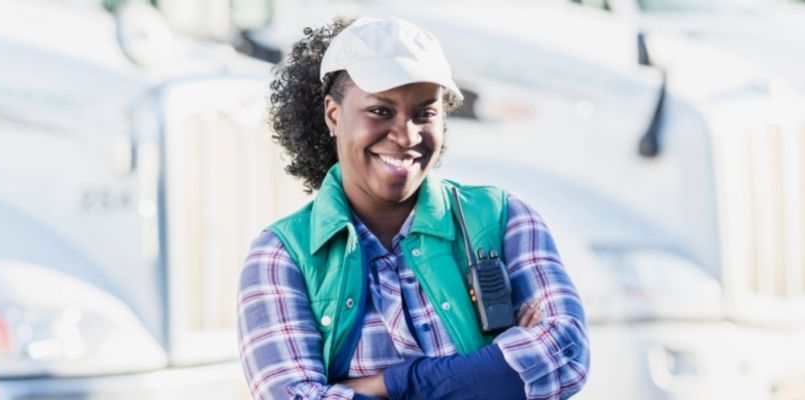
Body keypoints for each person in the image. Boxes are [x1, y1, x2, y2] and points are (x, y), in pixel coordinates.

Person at [237, 16, 588, 400]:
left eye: (425, 113)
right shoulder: (280, 257)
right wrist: (493, 371)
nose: (406, 136)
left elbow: (566, 354)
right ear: (333, 114)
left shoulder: (503, 218)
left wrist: (391, 384)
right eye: (380, 111)